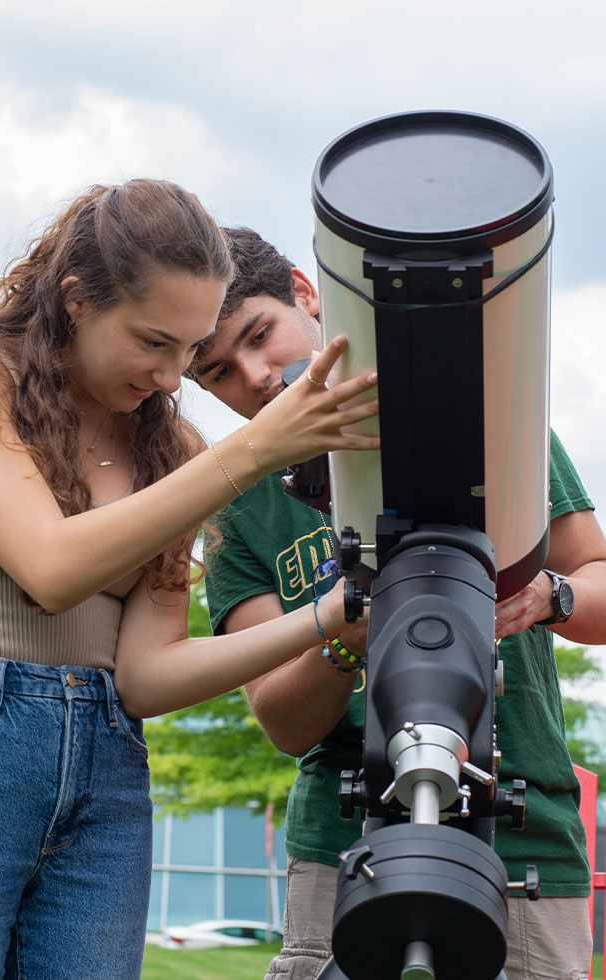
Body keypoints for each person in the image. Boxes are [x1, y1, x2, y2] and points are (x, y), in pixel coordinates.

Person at [0, 182, 380, 980]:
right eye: (155, 342)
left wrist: (333, 615)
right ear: (77, 299)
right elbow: (52, 569)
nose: (176, 376)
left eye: (190, 347)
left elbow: (145, 676)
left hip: (108, 758)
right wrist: (251, 452)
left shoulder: (168, 443)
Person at [192, 226, 606, 980]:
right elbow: (283, 722)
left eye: (260, 334)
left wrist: (551, 595)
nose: (253, 376)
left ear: (305, 291)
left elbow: (600, 588)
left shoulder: (487, 418)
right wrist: (348, 627)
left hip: (526, 839)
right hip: (345, 851)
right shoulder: (231, 506)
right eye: (217, 372)